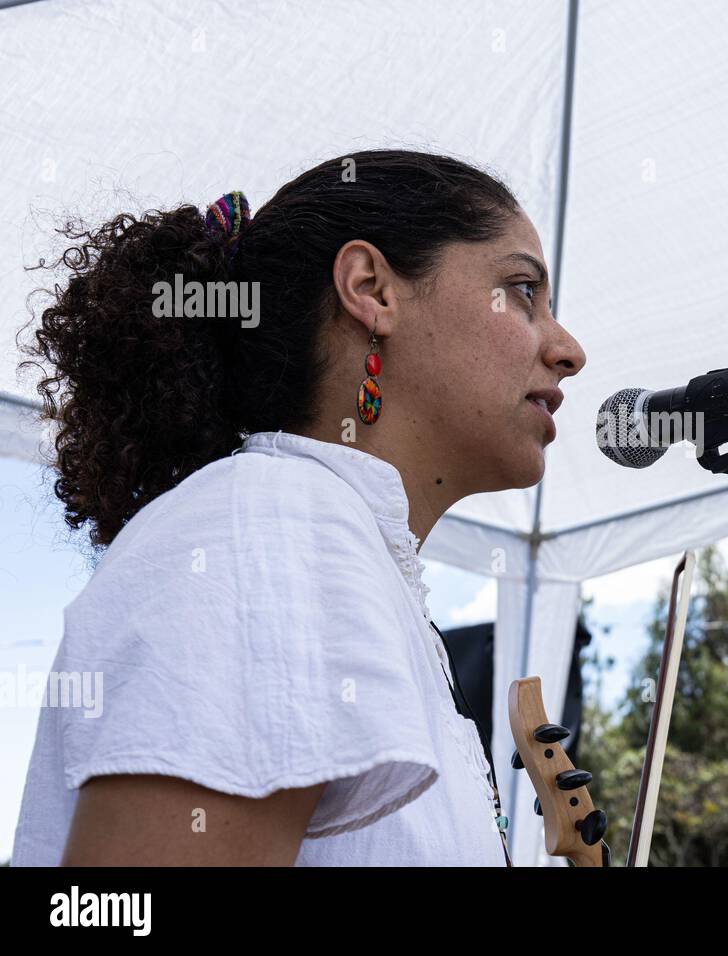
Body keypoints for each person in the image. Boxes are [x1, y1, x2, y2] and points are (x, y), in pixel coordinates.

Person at [11, 149, 585, 865]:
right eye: (522, 289)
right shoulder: (271, 526)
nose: (568, 349)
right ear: (371, 288)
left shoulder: (342, 558)